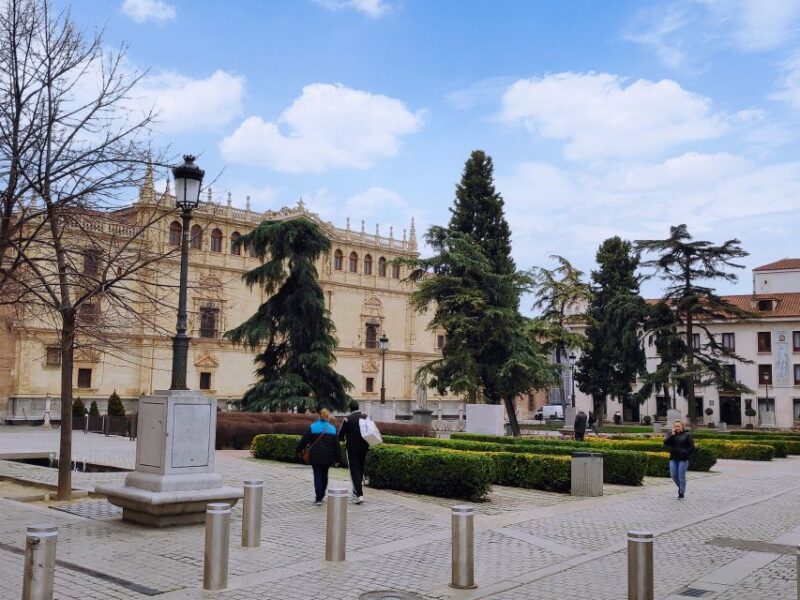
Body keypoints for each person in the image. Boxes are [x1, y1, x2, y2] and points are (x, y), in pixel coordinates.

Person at [295, 408, 340, 505]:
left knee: (317, 476)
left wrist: (298, 451)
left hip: (315, 457)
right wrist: (337, 459)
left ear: (320, 415)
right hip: (328, 457)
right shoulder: (332, 429)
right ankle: (322, 494)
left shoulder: (313, 427)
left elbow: (304, 441)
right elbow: (337, 446)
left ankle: (318, 498)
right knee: (325, 475)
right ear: (328, 416)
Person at [338, 400, 370, 504]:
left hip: (352, 448)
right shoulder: (365, 417)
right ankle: (356, 489)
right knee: (360, 468)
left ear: (350, 408)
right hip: (364, 447)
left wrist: (342, 440)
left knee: (354, 470)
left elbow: (340, 434)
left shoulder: (347, 419)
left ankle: (359, 494)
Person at [664, 420, 695, 499]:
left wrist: (686, 453)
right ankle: (681, 487)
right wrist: (672, 435)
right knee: (674, 475)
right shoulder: (671, 434)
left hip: (683, 459)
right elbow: (666, 443)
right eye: (675, 426)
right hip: (673, 458)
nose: (677, 428)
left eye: (678, 426)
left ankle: (681, 493)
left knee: (681, 476)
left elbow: (692, 447)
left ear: (682, 427)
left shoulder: (687, 435)